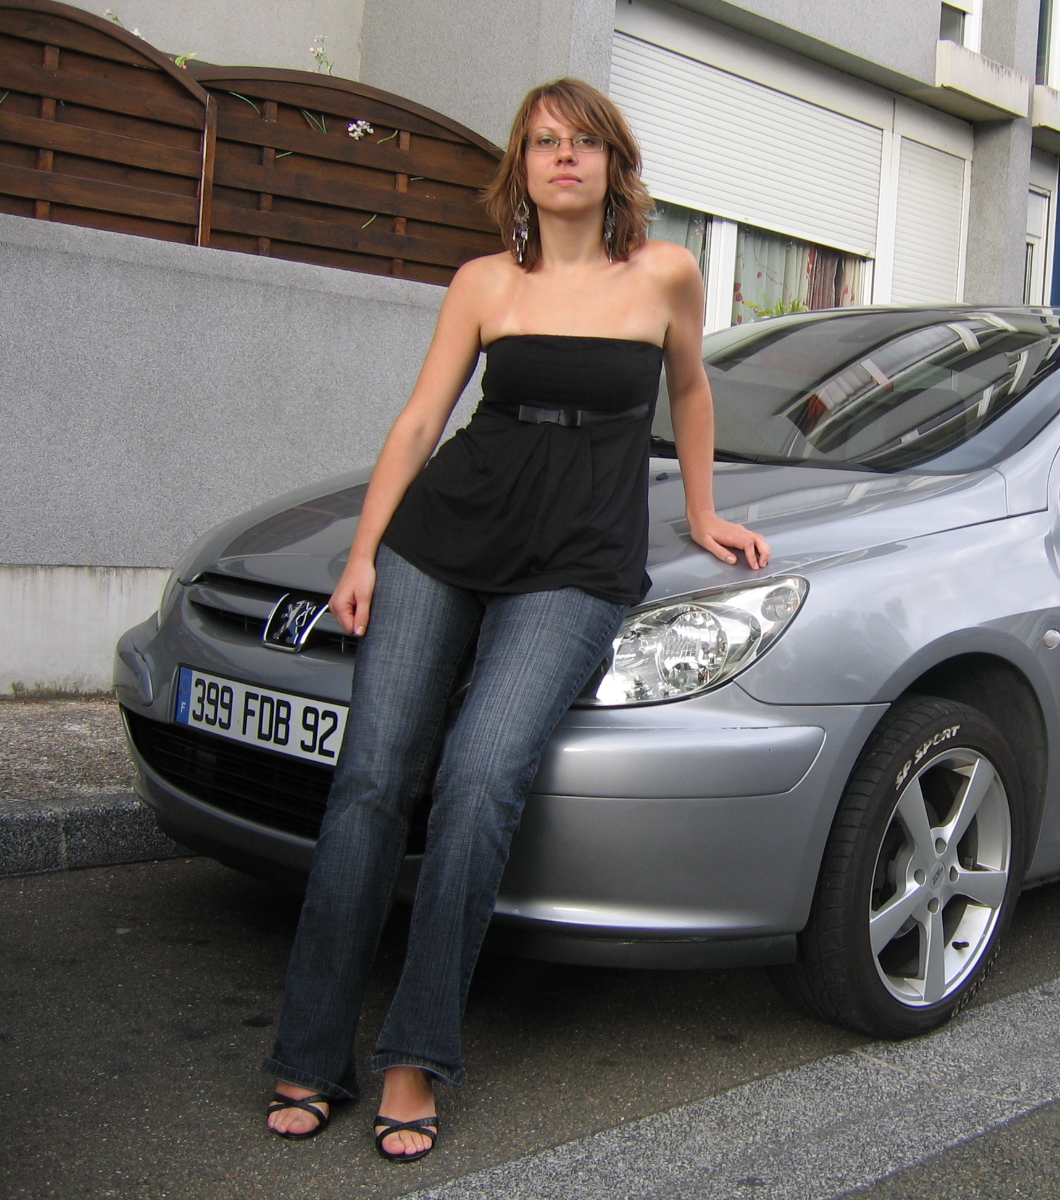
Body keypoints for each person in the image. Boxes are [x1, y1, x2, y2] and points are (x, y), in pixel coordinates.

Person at [261, 77, 769, 1163]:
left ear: (613, 163)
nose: (563, 157)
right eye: (543, 142)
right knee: (370, 781)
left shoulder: (665, 274)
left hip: (576, 563)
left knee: (480, 779)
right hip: (444, 537)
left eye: (583, 141)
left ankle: (415, 1054)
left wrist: (702, 512)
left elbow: (690, 392)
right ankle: (309, 1047)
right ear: (522, 167)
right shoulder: (485, 281)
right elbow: (420, 421)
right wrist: (364, 551)